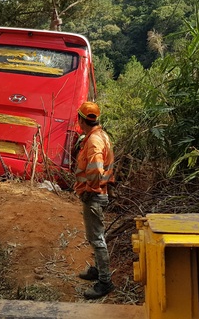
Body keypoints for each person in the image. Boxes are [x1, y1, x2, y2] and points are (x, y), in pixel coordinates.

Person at [74, 101, 115, 299]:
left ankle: (105, 282)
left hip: (95, 195)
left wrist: (90, 189)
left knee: (97, 239)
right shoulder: (101, 136)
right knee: (95, 236)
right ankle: (98, 271)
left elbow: (97, 169)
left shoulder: (94, 141)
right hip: (98, 193)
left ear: (81, 119)